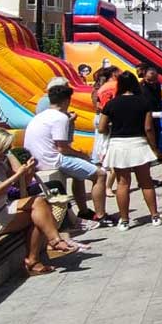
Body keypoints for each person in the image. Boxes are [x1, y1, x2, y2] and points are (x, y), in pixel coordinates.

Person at [0, 129, 82, 274]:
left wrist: (27, 172)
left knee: (39, 203)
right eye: (4, 149)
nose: (6, 153)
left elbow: (20, 184)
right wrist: (17, 175)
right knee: (37, 217)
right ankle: (36, 258)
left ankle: (54, 242)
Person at [23, 84, 107, 225]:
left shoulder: (40, 116)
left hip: (37, 159)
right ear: (67, 101)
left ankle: (84, 211)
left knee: (79, 173)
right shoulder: (60, 118)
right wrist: (82, 155)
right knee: (100, 174)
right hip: (53, 160)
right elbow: (62, 148)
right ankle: (101, 215)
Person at [97, 72, 162, 230]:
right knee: (146, 182)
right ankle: (154, 215)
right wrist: (154, 148)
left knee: (122, 183)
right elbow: (148, 128)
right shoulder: (143, 102)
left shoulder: (111, 104)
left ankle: (124, 220)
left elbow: (101, 128)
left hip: (118, 145)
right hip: (138, 143)